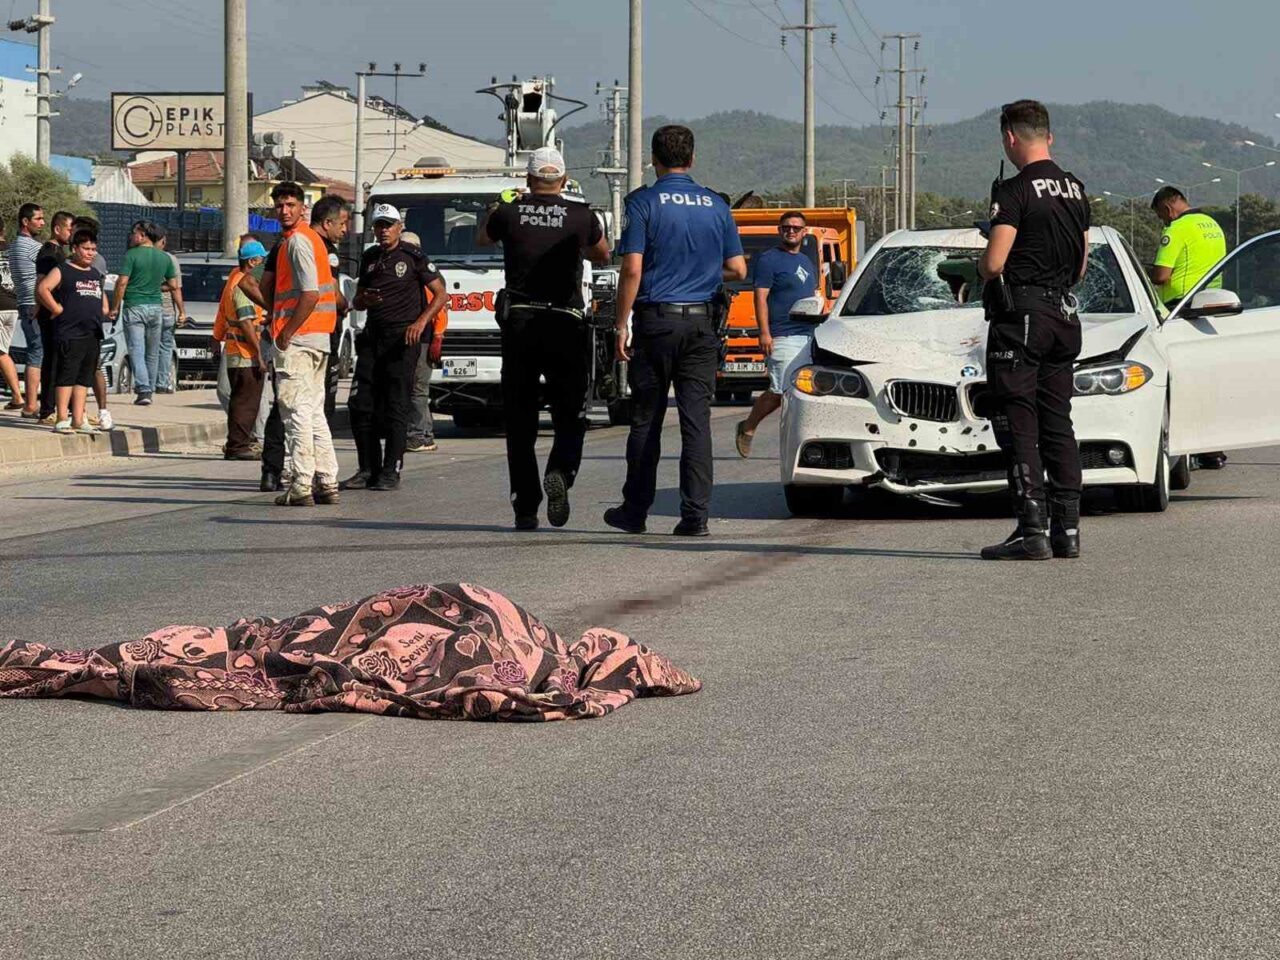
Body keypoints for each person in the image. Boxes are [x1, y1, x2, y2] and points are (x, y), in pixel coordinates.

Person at [605, 125, 746, 537]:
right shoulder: (716, 206)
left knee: (647, 419)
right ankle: (695, 516)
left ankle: (635, 511)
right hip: (702, 324)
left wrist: (620, 324)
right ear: (693, 158)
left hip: (656, 320)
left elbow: (631, 267)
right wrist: (701, 272)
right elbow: (738, 269)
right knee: (695, 422)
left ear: (654, 158)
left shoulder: (643, 202)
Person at [977, 99, 1091, 561]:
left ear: (1009, 139)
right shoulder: (1076, 189)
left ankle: (1032, 529)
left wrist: (981, 262)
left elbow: (994, 262)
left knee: (1019, 422)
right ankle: (1068, 531)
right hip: (1064, 316)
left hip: (1020, 317)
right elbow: (1081, 267)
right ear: (1050, 136)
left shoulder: (1014, 190)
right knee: (1058, 422)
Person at [474, 148, 611, 529]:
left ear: (530, 179)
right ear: (564, 182)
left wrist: (505, 205)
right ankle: (561, 472)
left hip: (520, 323)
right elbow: (603, 254)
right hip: (566, 323)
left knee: (520, 420)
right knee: (570, 413)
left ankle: (525, 505)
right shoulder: (583, 214)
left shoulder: (509, 212)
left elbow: (482, 237)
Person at [343, 204, 447, 492]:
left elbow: (441, 294)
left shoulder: (413, 257)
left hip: (403, 339)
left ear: (400, 227)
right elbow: (360, 297)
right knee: (361, 405)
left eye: (389, 224)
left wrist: (421, 323)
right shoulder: (370, 258)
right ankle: (368, 468)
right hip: (373, 336)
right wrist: (364, 301)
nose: (384, 230)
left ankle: (391, 470)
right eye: (379, 225)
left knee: (396, 405)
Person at [262, 181, 341, 506]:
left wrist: (285, 331)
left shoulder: (297, 243)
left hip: (300, 338)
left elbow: (309, 293)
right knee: (313, 412)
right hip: (318, 337)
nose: (285, 211)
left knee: (295, 412)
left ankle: (301, 484)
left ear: (302, 208)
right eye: (280, 205)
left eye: (291, 204)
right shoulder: (309, 240)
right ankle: (327, 480)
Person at [1149, 185, 1230, 470]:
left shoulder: (1178, 228)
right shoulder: (1213, 225)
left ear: (1167, 208)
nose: (1163, 221)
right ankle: (1214, 449)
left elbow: (1161, 275)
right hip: (1214, 309)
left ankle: (1186, 450)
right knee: (1209, 381)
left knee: (1182, 383)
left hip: (1181, 309)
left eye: (1161, 216)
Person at [734, 210, 819, 457]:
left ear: (804, 232)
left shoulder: (805, 262)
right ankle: (748, 427)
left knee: (806, 392)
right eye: (785, 227)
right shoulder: (769, 259)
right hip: (782, 335)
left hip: (809, 335)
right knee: (780, 391)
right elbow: (760, 298)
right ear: (779, 230)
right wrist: (764, 333)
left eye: (795, 228)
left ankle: (800, 444)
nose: (790, 231)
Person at [34, 229, 108, 434]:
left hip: (91, 333)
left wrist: (104, 310)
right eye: (86, 249)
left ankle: (78, 419)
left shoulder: (94, 273)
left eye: (93, 249)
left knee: (83, 378)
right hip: (69, 333)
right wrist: (56, 308)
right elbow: (43, 289)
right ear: (74, 248)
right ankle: (61, 419)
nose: (90, 253)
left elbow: (99, 293)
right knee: (67, 375)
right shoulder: (63, 269)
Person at [110, 220, 185, 405]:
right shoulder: (164, 258)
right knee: (153, 352)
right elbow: (174, 285)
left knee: (136, 349)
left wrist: (115, 306)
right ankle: (149, 388)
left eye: (134, 233)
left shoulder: (132, 255)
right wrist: (156, 287)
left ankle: (143, 390)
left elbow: (122, 282)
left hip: (134, 306)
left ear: (143, 235)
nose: (132, 236)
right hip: (156, 308)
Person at [214, 239, 269, 460]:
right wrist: (259, 353)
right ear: (253, 261)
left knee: (241, 400)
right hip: (245, 353)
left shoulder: (234, 280)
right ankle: (239, 446)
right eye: (261, 260)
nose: (263, 264)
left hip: (238, 351)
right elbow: (246, 322)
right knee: (246, 402)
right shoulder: (243, 286)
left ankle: (237, 444)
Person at [402, 230, 447, 455]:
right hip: (418, 338)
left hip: (424, 339)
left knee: (417, 389)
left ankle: (417, 435)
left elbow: (440, 307)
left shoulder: (427, 274)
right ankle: (425, 435)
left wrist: (438, 337)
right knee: (416, 388)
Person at [72, 216, 113, 431]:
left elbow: (97, 291)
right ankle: (81, 413)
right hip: (77, 322)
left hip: (90, 323)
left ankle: (101, 411)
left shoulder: (95, 261)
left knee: (92, 368)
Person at [34, 210, 75, 422]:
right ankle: (47, 410)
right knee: (52, 361)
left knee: (62, 361)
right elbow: (41, 284)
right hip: (51, 315)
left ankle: (66, 409)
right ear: (58, 229)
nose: (72, 233)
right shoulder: (49, 252)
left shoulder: (60, 252)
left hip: (60, 315)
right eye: (70, 229)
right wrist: (51, 308)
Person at [9, 203, 44, 417]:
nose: (41, 223)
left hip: (24, 302)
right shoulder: (33, 248)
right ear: (25, 221)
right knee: (37, 352)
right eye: (38, 219)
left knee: (35, 350)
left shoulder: (14, 247)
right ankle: (31, 404)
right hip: (35, 305)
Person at [154, 231, 187, 394]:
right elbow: (176, 288)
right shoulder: (170, 260)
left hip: (151, 310)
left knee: (151, 347)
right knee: (165, 348)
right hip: (167, 311)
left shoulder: (140, 257)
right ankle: (161, 383)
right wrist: (181, 311)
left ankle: (150, 383)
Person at [0, 213, 26, 411]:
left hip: (0, 307)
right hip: (13, 305)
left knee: (1, 353)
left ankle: (17, 396)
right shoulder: (12, 251)